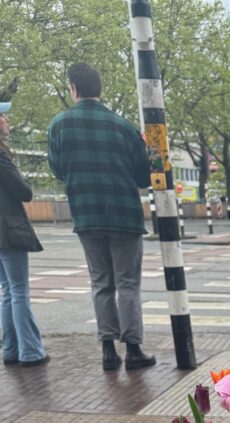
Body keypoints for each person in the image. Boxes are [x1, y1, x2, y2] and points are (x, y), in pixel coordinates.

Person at [47, 63, 155, 372]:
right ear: (99, 89)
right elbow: (143, 176)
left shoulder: (60, 124)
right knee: (128, 284)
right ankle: (134, 349)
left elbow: (57, 169)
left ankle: (108, 350)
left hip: (87, 215)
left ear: (74, 89)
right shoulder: (122, 126)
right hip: (125, 216)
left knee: (101, 283)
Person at [0, 99, 48, 367]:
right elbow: (24, 192)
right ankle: (30, 351)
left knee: (7, 290)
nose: (7, 121)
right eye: (3, 117)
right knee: (18, 291)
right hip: (9, 229)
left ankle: (11, 349)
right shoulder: (1, 156)